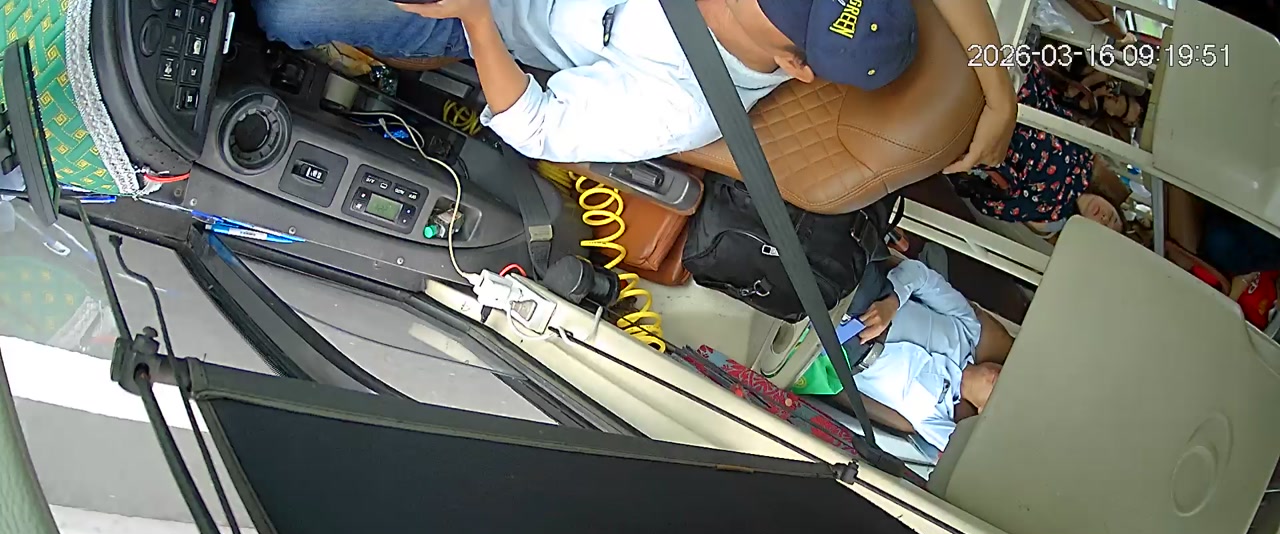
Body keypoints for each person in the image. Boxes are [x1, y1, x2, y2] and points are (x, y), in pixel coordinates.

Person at [251, 0, 1018, 165]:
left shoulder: (686, 103)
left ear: (795, 65)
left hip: (487, 14)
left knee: (289, 10)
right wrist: (999, 86)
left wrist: (477, 19)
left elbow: (538, 126)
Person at [846, 257, 1012, 451]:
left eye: (1003, 394)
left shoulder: (937, 420)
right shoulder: (969, 326)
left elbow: (966, 454)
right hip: (870, 297)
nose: (1002, 379)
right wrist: (892, 302)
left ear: (984, 412)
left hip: (851, 352)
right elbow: (918, 273)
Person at [953, 61, 1123, 239]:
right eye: (1112, 216)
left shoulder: (1050, 214)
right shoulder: (1085, 159)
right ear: (1110, 201)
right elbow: (1054, 111)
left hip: (997, 138)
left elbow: (994, 202)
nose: (1104, 217)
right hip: (1023, 98)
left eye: (1104, 226)